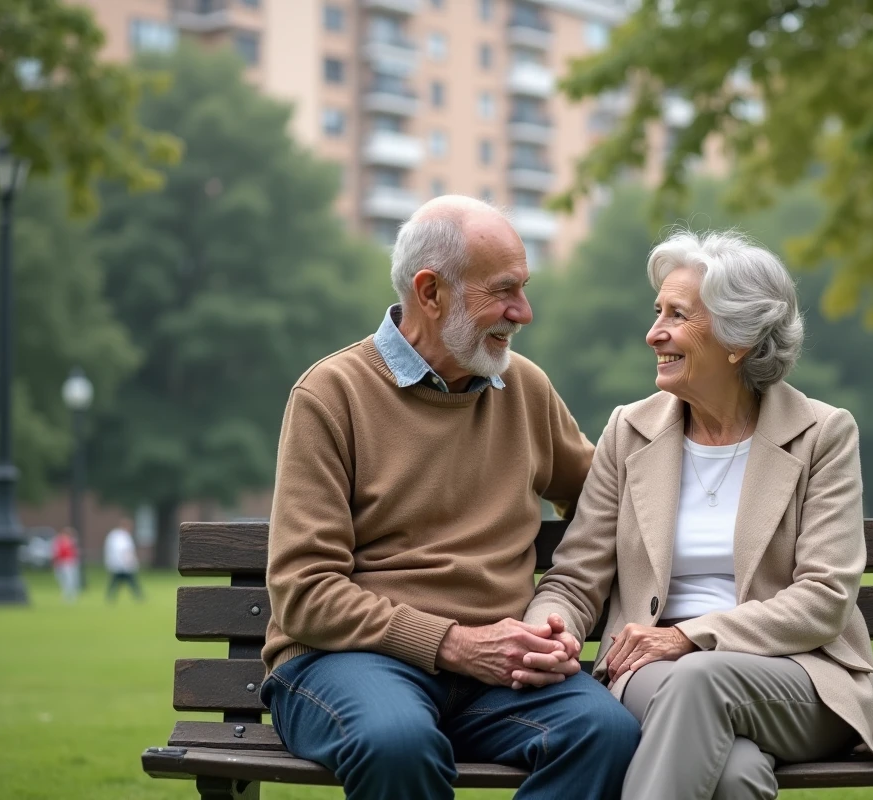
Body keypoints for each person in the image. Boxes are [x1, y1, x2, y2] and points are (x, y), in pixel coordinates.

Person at [260, 196, 640, 800]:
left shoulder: (526, 388)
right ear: (430, 292)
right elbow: (306, 593)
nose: (524, 312)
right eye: (504, 291)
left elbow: (608, 499)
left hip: (497, 673)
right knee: (397, 743)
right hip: (349, 662)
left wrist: (558, 616)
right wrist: (455, 644)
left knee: (606, 734)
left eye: (525, 288)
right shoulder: (330, 395)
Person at [524, 230, 873, 800]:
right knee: (736, 773)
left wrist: (692, 638)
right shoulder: (630, 431)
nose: (655, 333)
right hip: (650, 674)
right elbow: (577, 577)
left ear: (739, 339)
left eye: (679, 315)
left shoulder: (821, 434)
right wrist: (551, 627)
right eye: (657, 313)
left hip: (799, 677)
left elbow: (824, 597)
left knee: (701, 681)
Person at [104, 518, 144, 602]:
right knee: (130, 581)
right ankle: (139, 596)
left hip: (116, 564)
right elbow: (124, 550)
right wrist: (130, 562)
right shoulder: (123, 536)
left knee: (117, 581)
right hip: (123, 564)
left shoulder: (114, 535)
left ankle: (110, 597)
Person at [51, 527, 81, 603]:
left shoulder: (71, 542)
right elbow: (55, 552)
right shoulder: (58, 542)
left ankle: (70, 596)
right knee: (61, 580)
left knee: (70, 580)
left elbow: (74, 553)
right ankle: (66, 594)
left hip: (69, 563)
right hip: (60, 562)